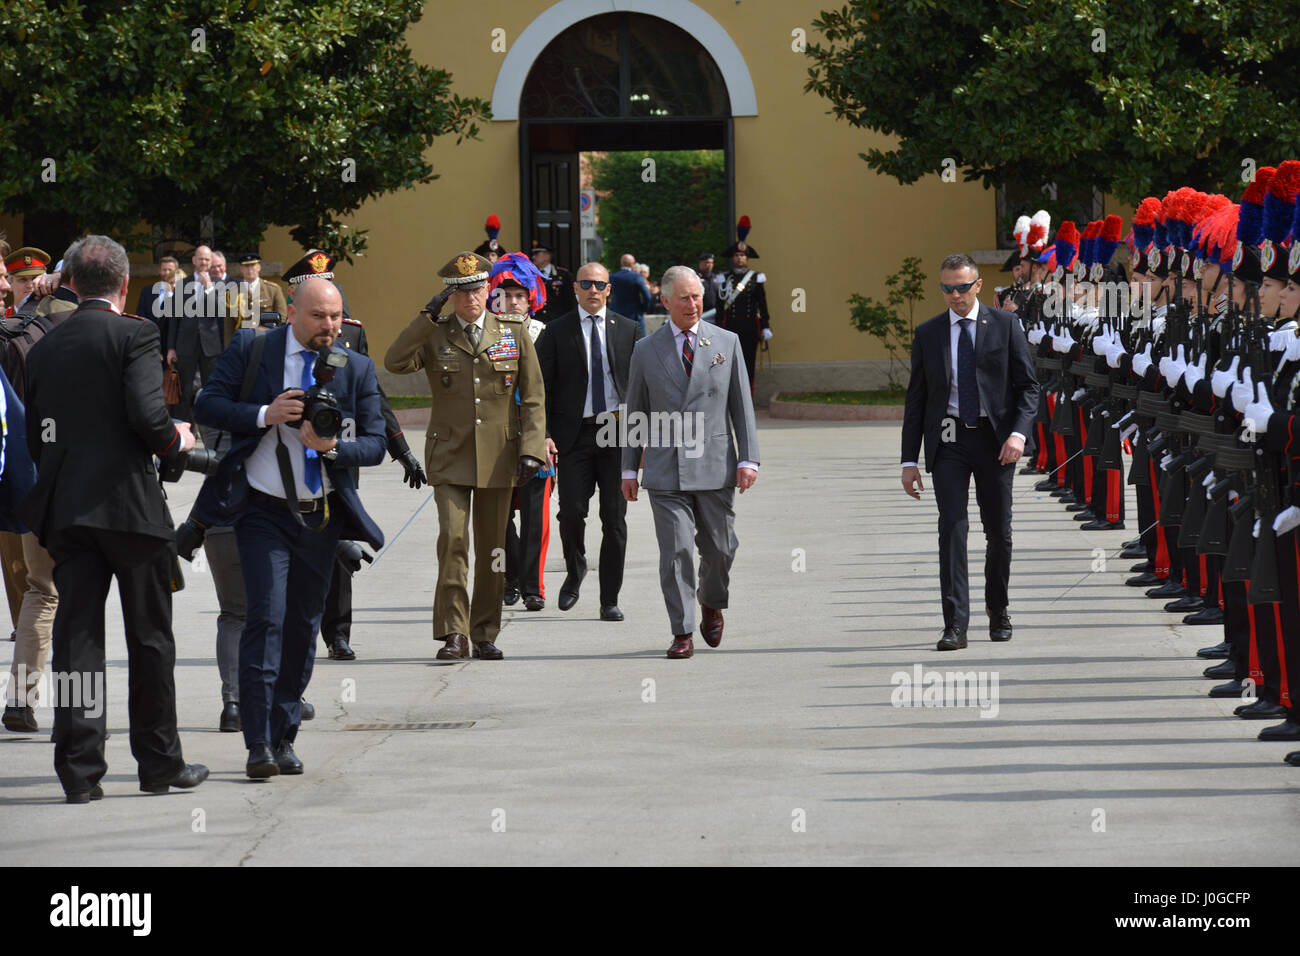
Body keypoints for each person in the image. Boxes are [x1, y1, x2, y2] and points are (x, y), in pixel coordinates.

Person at [20, 235, 208, 802]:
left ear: (71, 283)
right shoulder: (136, 332)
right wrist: (178, 442)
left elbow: (36, 439)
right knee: (150, 638)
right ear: (125, 285)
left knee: (79, 642)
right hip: (131, 509)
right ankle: (158, 763)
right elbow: (150, 418)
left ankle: (79, 773)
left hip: (69, 512)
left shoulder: (46, 344)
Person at [194, 276, 386, 779]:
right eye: (320, 316)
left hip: (319, 517)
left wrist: (334, 450)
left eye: (336, 317)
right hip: (261, 510)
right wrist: (263, 413)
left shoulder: (356, 367)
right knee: (267, 617)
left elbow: (376, 442)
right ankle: (257, 743)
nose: (329, 326)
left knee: (302, 627)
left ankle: (283, 737)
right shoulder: (253, 347)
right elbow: (206, 404)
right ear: (294, 313)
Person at [384, 252, 546, 662]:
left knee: (493, 549)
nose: (470, 298)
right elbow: (395, 361)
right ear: (449, 297)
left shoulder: (512, 332)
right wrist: (426, 315)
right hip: (450, 456)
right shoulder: (435, 335)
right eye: (459, 292)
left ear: (488, 289)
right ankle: (454, 633)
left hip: (499, 456)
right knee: (453, 541)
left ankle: (485, 631)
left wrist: (530, 449)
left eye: (475, 288)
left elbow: (534, 397)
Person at [900, 253, 1039, 651]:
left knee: (998, 532)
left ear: (978, 285)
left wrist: (1017, 435)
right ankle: (955, 624)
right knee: (952, 528)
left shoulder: (1005, 325)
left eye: (963, 287)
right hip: (949, 440)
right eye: (948, 288)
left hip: (996, 442)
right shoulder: (929, 333)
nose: (956, 295)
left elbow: (1029, 388)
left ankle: (998, 610)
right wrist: (909, 461)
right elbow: (917, 400)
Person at [621, 266, 760, 659]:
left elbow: (742, 407)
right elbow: (637, 413)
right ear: (664, 301)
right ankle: (682, 631)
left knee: (720, 549)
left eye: (697, 296)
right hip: (666, 469)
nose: (693, 304)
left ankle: (711, 601)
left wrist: (748, 459)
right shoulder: (646, 350)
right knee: (677, 551)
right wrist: (629, 469)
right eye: (683, 297)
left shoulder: (726, 342)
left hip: (716, 465)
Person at [536, 261, 642, 620]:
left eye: (599, 285)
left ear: (609, 289)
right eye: (586, 284)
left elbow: (641, 389)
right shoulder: (555, 331)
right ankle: (575, 568)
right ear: (575, 289)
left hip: (616, 432)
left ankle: (609, 598)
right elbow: (541, 388)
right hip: (574, 434)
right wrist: (545, 434)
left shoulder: (629, 330)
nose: (593, 290)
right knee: (571, 513)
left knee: (614, 518)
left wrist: (641, 438)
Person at [487, 253, 555, 611]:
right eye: (505, 294)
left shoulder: (545, 335)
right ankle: (509, 577)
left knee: (534, 518)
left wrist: (547, 434)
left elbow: (554, 394)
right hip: (495, 440)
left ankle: (533, 587)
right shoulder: (487, 334)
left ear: (531, 298)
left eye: (519, 295)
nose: (512, 301)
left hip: (536, 437)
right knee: (499, 517)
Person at [166, 244, 224, 421]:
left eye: (207, 259)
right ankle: (182, 435)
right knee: (183, 392)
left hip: (211, 346)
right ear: (194, 261)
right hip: (185, 344)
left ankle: (212, 433)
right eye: (201, 259)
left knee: (212, 391)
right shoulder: (182, 284)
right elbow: (173, 318)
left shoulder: (219, 285)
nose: (204, 262)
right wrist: (170, 348)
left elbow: (220, 313)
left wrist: (208, 288)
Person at [716, 217, 772, 390]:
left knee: (748, 363)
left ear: (747, 258)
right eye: (737, 255)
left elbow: (762, 304)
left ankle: (748, 395)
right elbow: (720, 307)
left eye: (743, 255)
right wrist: (717, 328)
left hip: (749, 327)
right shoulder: (724, 278)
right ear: (733, 257)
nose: (740, 258)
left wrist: (765, 326)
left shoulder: (756, 278)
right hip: (729, 327)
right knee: (727, 364)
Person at [531, 242, 576, 324]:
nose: (533, 257)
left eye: (537, 254)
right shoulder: (530, 275)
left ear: (547, 256)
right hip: (536, 322)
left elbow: (570, 302)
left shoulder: (563, 275)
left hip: (558, 322)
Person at [608, 253, 652, 333]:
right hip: (634, 315)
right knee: (639, 342)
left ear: (621, 263)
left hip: (616, 314)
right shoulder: (636, 277)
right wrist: (643, 308)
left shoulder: (612, 277)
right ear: (632, 264)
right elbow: (647, 296)